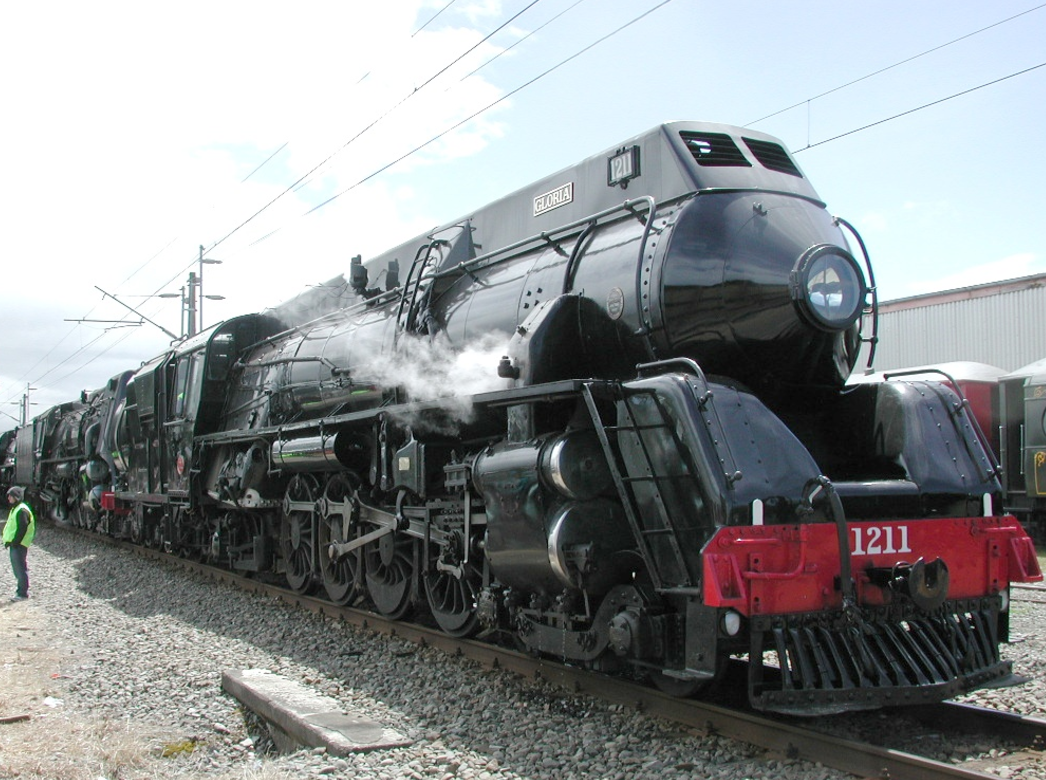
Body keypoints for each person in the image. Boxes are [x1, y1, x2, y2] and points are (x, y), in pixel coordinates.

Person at [3, 486, 35, 601]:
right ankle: (21, 592)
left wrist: (15, 542)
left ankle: (22, 593)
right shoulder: (16, 508)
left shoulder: (21, 510)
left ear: (16, 497)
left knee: (20, 568)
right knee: (18, 568)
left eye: (10, 496)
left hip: (19, 545)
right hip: (16, 544)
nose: (8, 498)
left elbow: (22, 528)